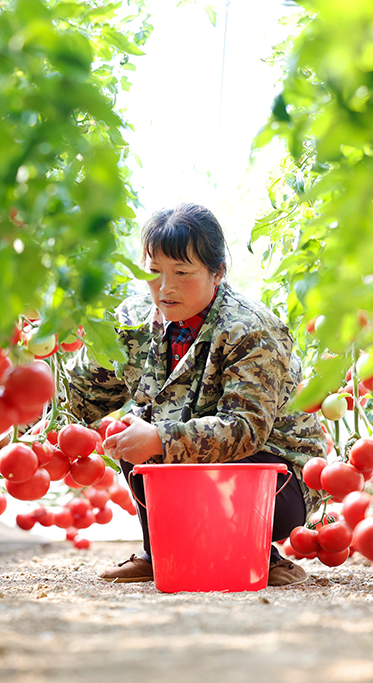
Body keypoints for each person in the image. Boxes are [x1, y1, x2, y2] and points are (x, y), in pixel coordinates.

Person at [63, 203, 328, 587]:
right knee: (131, 428)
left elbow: (245, 429)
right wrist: (20, 422)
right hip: (191, 473)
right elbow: (85, 392)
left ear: (217, 272)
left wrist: (159, 439)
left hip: (276, 479)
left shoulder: (251, 330)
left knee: (153, 433)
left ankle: (258, 552)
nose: (165, 288)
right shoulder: (133, 319)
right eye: (154, 273)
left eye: (182, 273)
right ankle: (161, 552)